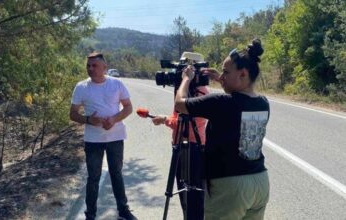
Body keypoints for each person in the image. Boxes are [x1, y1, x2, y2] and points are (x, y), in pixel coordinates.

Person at [174, 39, 270, 220]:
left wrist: (186, 79)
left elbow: (180, 104)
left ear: (242, 74)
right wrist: (221, 79)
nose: (222, 76)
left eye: (226, 72)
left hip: (230, 186)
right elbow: (239, 100)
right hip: (259, 181)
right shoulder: (263, 103)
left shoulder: (221, 103)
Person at [69, 52, 137, 220]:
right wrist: (88, 120)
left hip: (115, 137)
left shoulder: (117, 84)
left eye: (94, 65)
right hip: (93, 140)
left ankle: (124, 211)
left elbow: (128, 107)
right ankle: (90, 215)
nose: (90, 69)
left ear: (104, 67)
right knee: (93, 177)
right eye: (88, 66)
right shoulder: (81, 87)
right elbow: (72, 114)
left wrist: (114, 119)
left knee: (116, 174)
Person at [151, 84, 208, 220]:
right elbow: (179, 117)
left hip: (194, 147)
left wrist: (165, 119)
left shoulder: (200, 91)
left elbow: (188, 123)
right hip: (181, 146)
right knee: (184, 192)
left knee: (194, 195)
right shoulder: (183, 89)